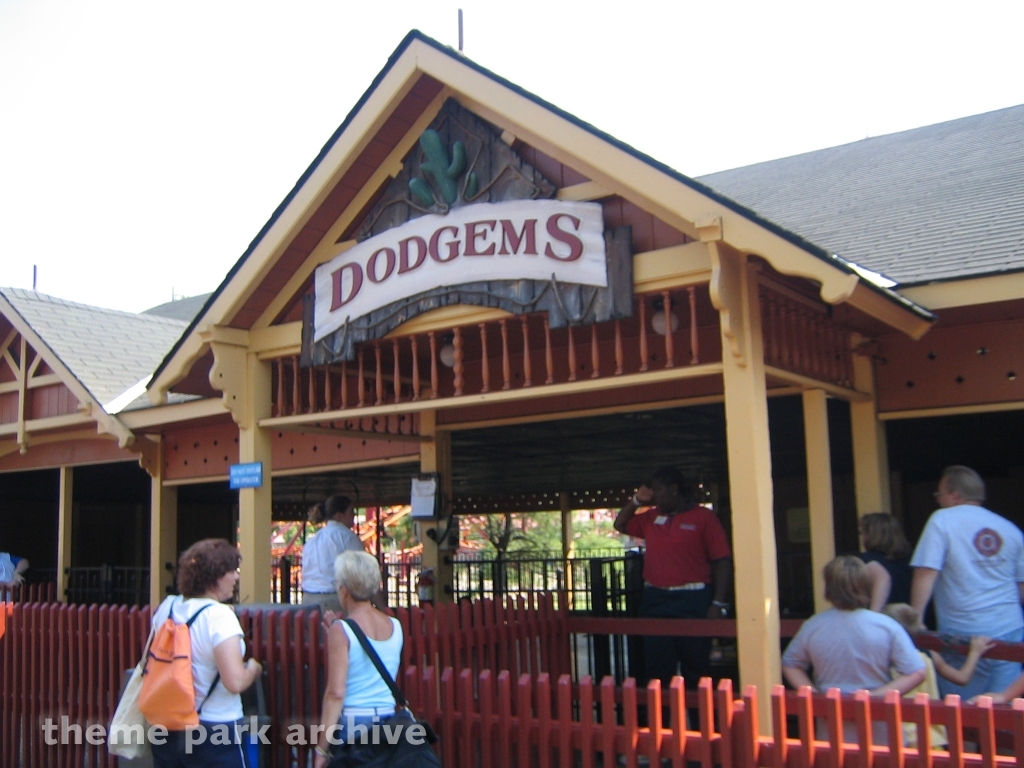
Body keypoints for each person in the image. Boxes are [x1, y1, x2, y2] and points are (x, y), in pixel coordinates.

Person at [782, 557, 925, 744]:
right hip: (881, 727)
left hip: (832, 726)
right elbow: (916, 671)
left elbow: (790, 663)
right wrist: (877, 696)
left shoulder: (813, 626)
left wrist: (816, 695)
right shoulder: (886, 626)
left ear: (828, 588)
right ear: (865, 585)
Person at [910, 465, 1024, 699]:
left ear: (954, 496)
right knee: (1003, 710)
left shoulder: (941, 520)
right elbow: (1021, 586)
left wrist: (916, 620)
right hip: (1009, 630)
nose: (938, 500)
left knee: (962, 713)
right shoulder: (1011, 530)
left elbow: (926, 572)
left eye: (939, 495)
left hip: (963, 632)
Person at [613, 465, 732, 687]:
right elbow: (620, 524)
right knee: (657, 670)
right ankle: (660, 722)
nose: (654, 496)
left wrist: (717, 602)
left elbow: (722, 560)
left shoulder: (703, 517)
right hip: (655, 599)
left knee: (696, 668)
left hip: (693, 599)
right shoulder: (651, 517)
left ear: (674, 489)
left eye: (658, 490)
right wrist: (636, 501)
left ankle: (699, 722)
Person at [150, 538, 263, 768]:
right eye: (231, 571)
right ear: (215, 576)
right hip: (215, 728)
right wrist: (254, 668)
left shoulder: (168, 607)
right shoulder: (219, 617)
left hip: (166, 725)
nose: (236, 577)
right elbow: (235, 682)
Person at [313, 551, 403, 768]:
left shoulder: (342, 630)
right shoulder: (395, 625)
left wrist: (321, 749)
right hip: (388, 720)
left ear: (344, 590)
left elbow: (335, 693)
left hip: (354, 723)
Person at [882, 603, 994, 748]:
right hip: (930, 735)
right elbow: (962, 678)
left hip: (895, 735)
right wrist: (974, 653)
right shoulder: (927, 655)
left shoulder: (881, 658)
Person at [303, 495, 366, 612]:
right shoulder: (348, 537)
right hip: (335, 599)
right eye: (351, 511)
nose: (354, 515)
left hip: (308, 598)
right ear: (339, 515)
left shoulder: (313, 540)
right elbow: (362, 573)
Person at [858, 513, 913, 610]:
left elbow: (883, 579)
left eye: (862, 533)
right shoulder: (913, 559)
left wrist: (873, 617)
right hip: (913, 617)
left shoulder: (867, 560)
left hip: (885, 617)